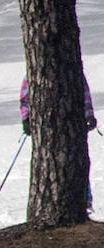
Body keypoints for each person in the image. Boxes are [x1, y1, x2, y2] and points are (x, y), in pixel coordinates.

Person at [20, 74, 98, 208]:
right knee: (48, 163)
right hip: (45, 127)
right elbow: (25, 98)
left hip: (72, 125)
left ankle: (84, 199)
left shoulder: (73, 70)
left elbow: (84, 95)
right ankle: (48, 202)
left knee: (77, 161)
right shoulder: (33, 74)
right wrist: (26, 118)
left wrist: (89, 114)